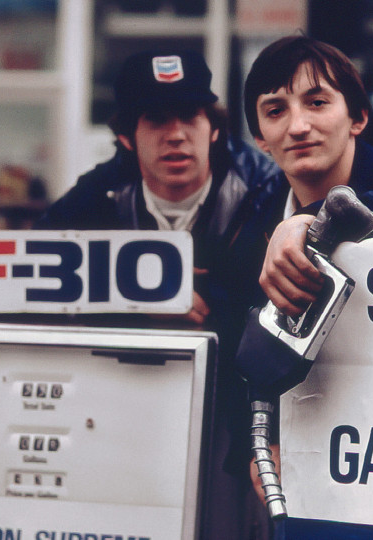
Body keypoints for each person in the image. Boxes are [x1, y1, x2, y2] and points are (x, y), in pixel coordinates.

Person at [36, 49, 285, 540]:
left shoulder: (264, 186)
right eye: (156, 119)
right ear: (126, 136)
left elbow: (272, 304)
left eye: (190, 116)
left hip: (237, 406)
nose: (176, 134)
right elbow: (32, 283)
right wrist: (131, 300)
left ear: (213, 128)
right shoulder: (101, 191)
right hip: (131, 403)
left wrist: (204, 292)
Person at [240, 35, 373, 539]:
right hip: (310, 454)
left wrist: (310, 224)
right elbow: (243, 345)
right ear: (261, 138)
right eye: (275, 110)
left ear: (357, 118)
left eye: (317, 102)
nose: (298, 125)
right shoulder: (253, 220)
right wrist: (256, 445)